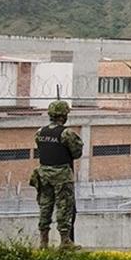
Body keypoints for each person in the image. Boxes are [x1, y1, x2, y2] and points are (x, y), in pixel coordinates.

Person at [30, 100, 84, 250]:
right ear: (63, 115)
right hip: (61, 175)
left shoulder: (40, 132)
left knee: (45, 207)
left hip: (44, 174)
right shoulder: (66, 133)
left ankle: (43, 242)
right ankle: (65, 240)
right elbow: (76, 153)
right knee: (64, 207)